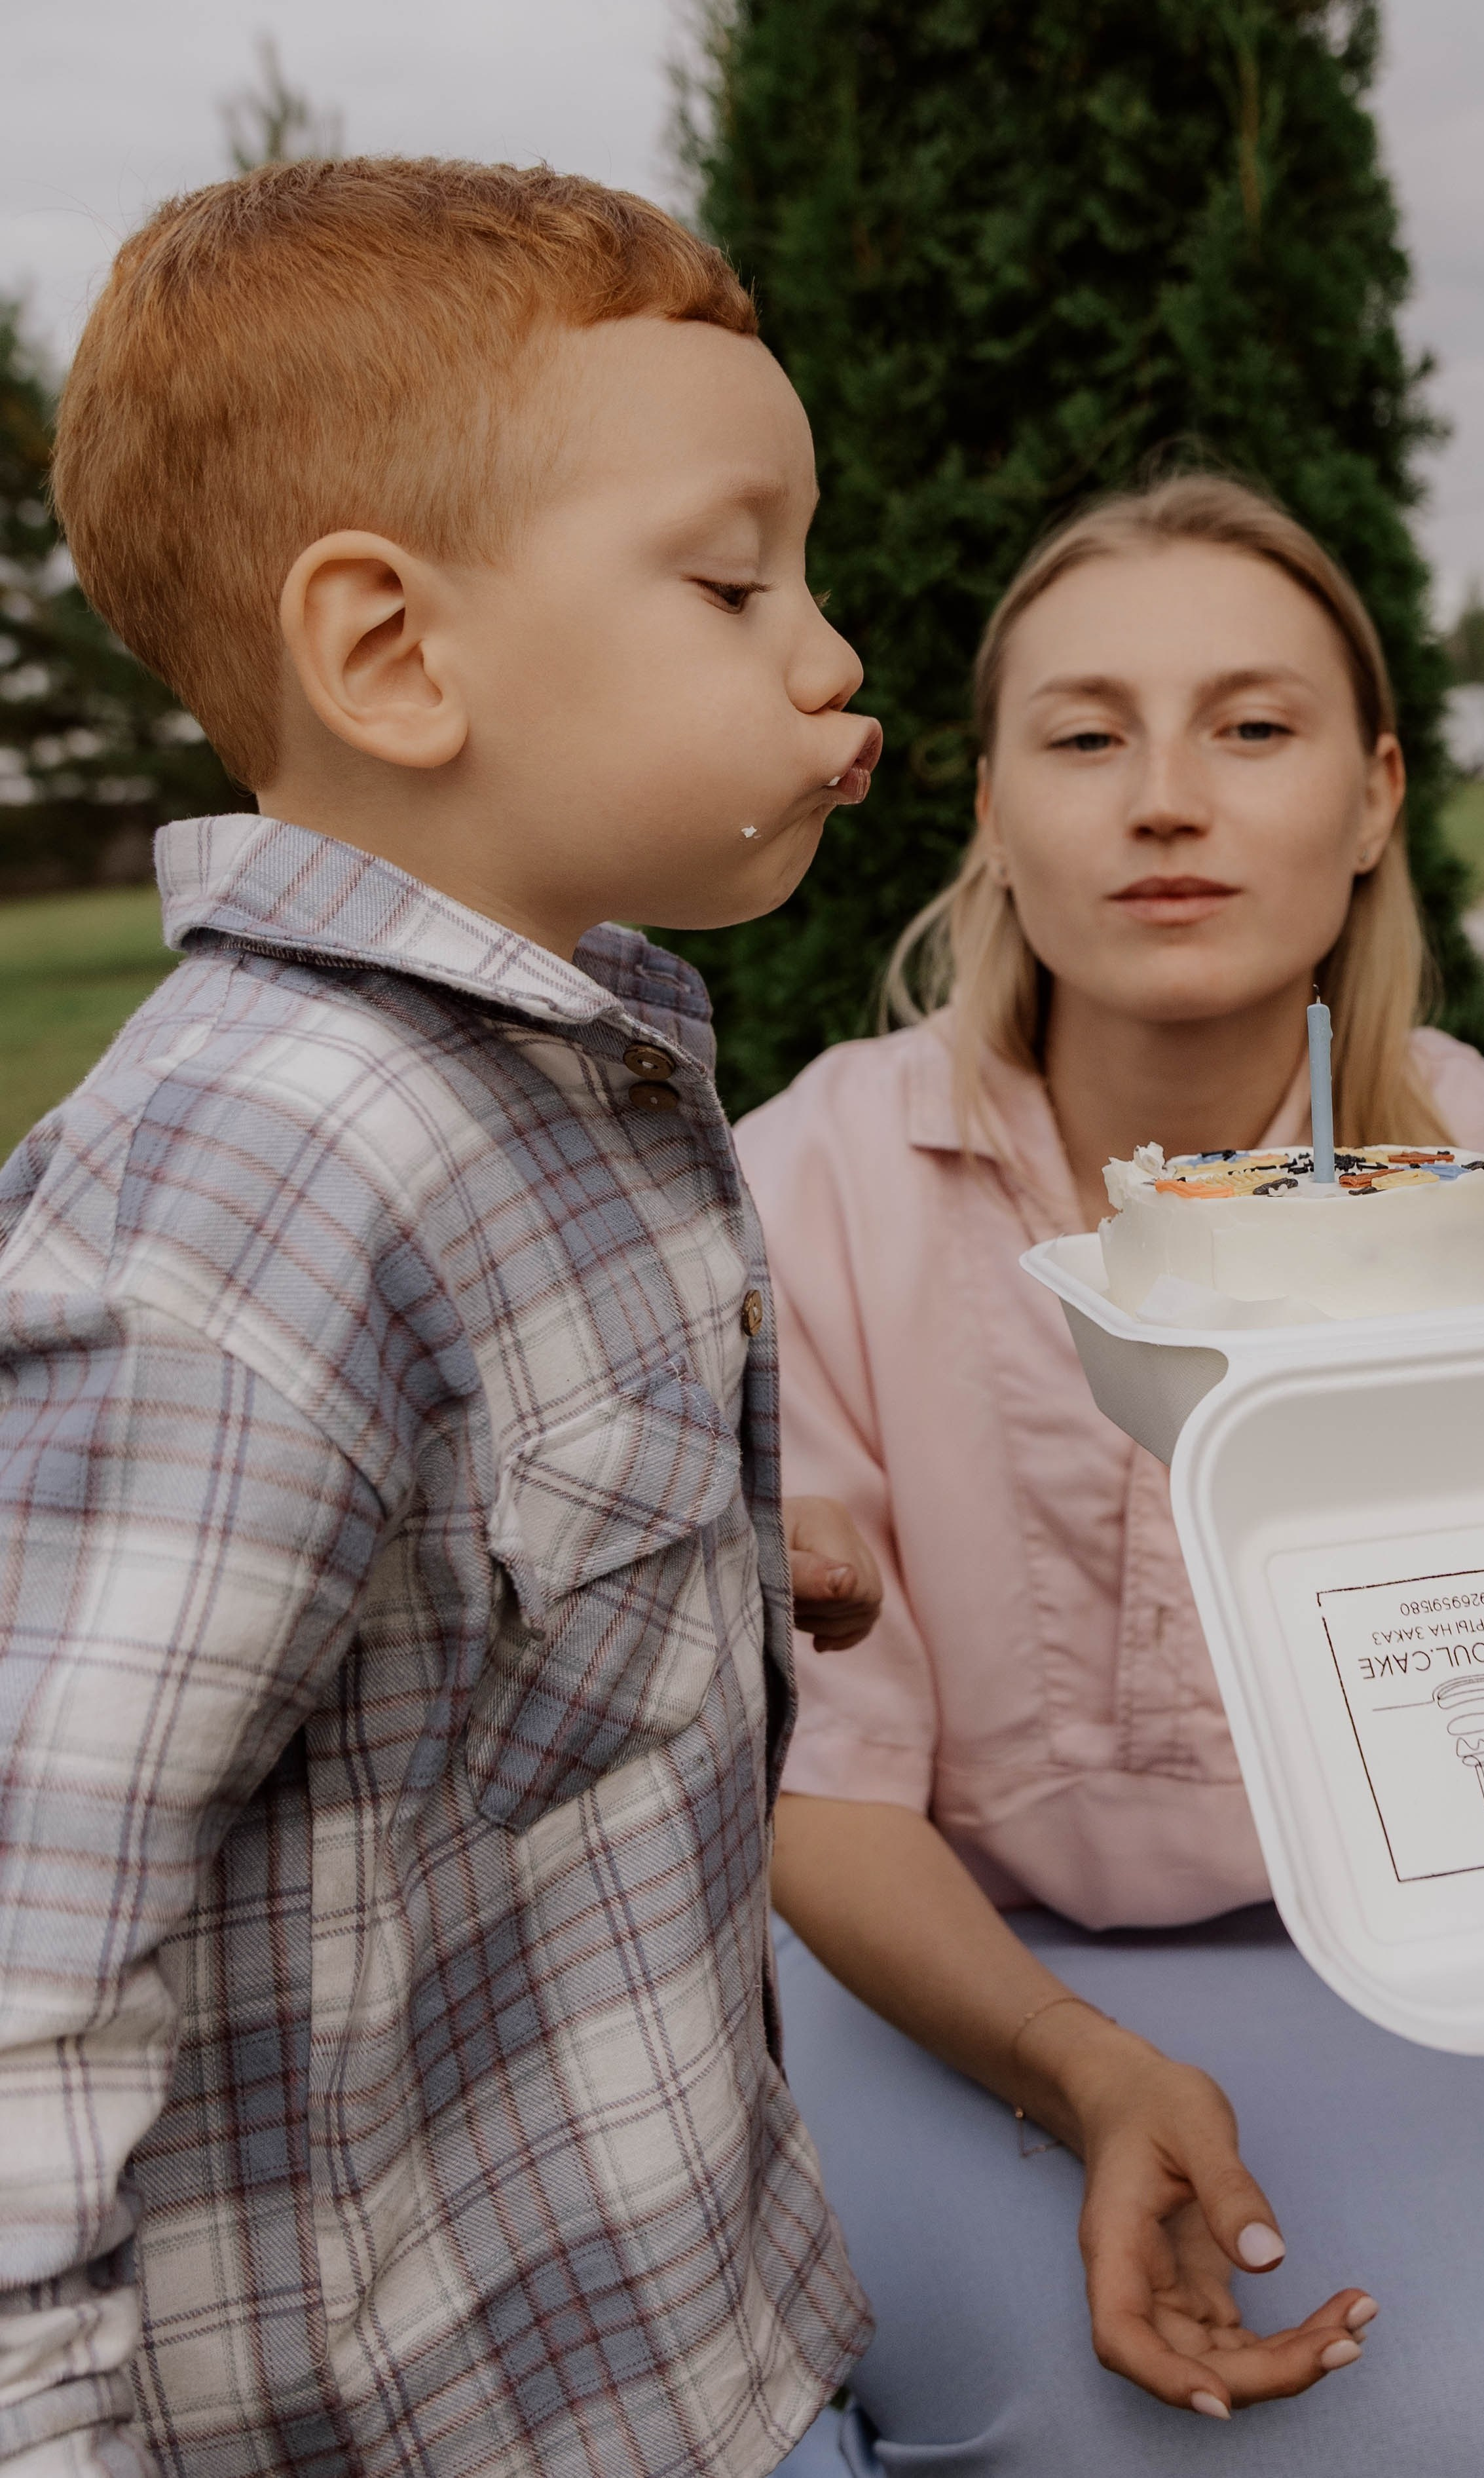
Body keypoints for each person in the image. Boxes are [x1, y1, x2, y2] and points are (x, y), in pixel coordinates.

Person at [1, 158, 887, 2477]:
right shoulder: (238, 1217)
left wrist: (692, 1559)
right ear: (392, 653)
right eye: (731, 579)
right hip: (452, 2417)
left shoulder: (561, 1065)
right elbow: (26, 1976)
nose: (829, 653)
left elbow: (427, 1558)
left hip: (689, 2304)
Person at [736, 477, 1484, 2476]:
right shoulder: (807, 1178)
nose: (1165, 799)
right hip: (959, 1981)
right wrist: (1074, 2064)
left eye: (1251, 727)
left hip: (1446, 1978)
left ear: (1376, 792)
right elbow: (827, 1792)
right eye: (1084, 735)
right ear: (991, 808)